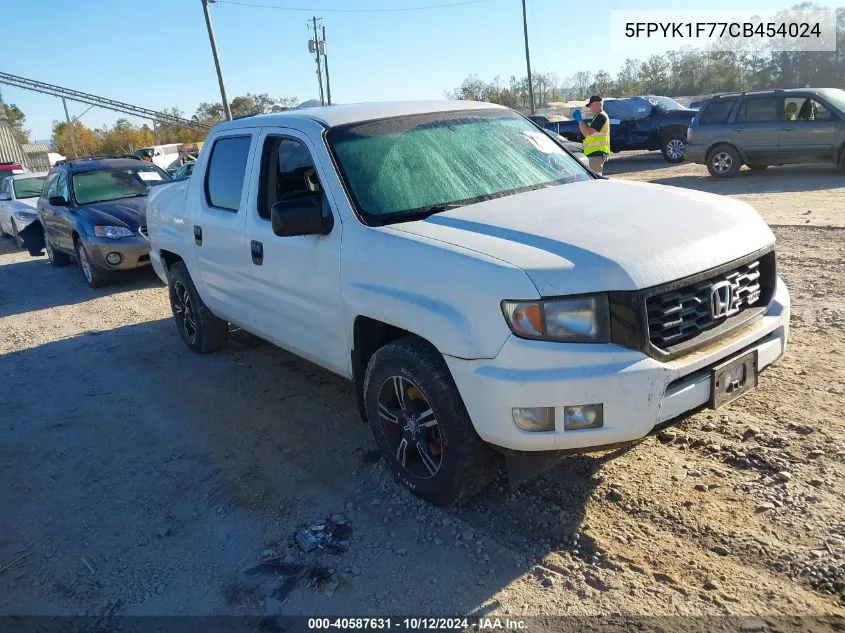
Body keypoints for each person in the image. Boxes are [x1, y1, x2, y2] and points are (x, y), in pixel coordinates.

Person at [574, 95, 610, 175]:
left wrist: (580, 120)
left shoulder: (601, 117)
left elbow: (588, 133)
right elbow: (589, 134)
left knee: (595, 180)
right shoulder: (597, 117)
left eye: (590, 105)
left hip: (597, 153)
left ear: (597, 104)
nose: (589, 108)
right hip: (595, 153)